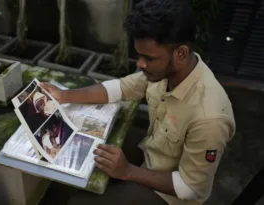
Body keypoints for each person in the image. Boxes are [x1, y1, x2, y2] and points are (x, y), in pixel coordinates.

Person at [40, 0, 236, 204]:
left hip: (169, 195)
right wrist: (64, 96)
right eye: (139, 55)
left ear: (181, 54)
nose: (140, 64)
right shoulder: (166, 72)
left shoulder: (209, 118)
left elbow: (190, 187)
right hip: (149, 153)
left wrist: (127, 172)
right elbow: (121, 88)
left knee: (79, 202)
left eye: (148, 58)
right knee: (74, 156)